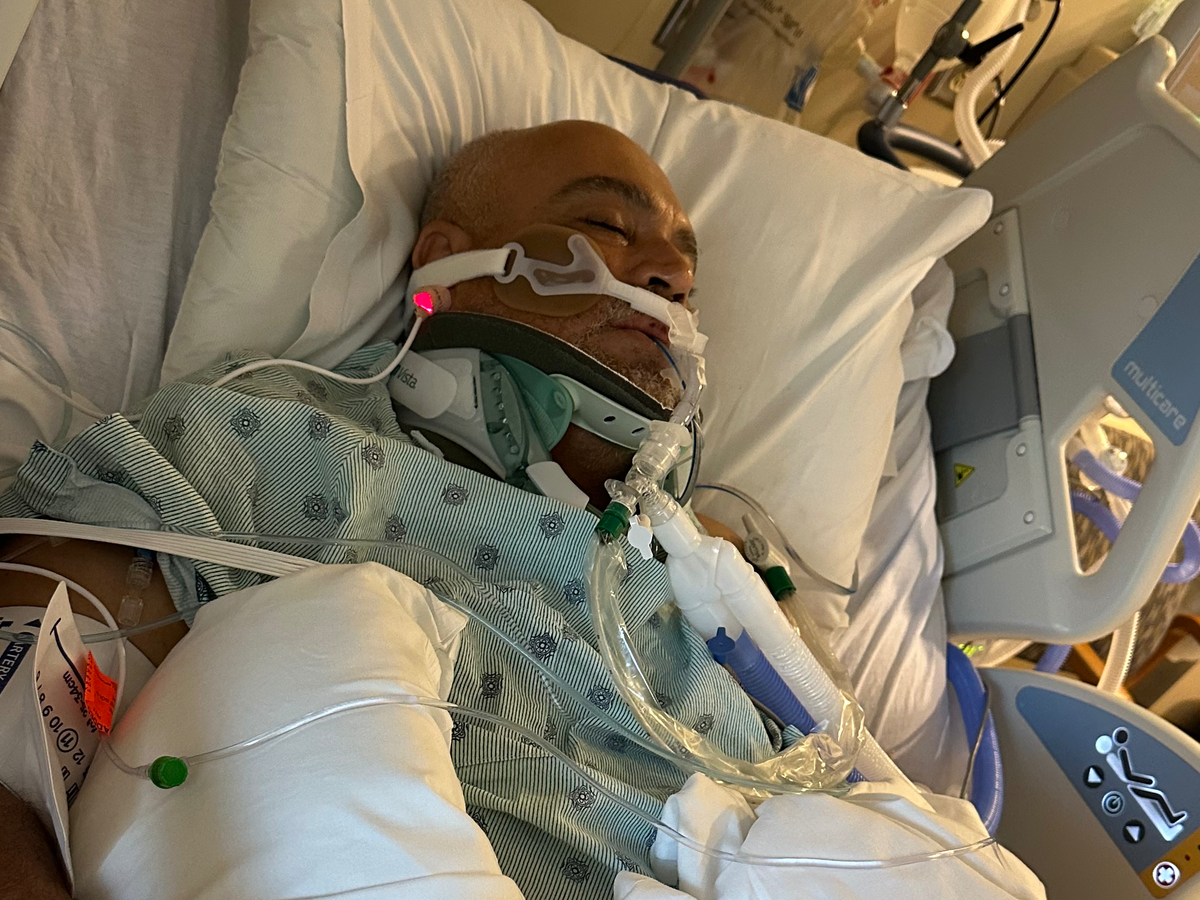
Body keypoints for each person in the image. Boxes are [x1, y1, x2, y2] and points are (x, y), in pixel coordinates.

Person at [0, 121, 941, 899]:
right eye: (609, 225)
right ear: (449, 265)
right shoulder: (260, 446)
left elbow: (856, 790)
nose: (667, 276)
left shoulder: (713, 577)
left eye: (686, 275)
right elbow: (11, 755)